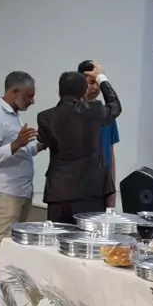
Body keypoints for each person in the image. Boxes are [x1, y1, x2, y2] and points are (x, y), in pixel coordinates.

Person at [0, 71, 42, 306]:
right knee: (2, 249)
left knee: (13, 249)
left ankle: (10, 303)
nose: (32, 101)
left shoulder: (14, 116)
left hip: (21, 191)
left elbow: (21, 152)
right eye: (29, 96)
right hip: (6, 193)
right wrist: (15, 144)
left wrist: (40, 145)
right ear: (14, 92)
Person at [37, 65, 121, 224]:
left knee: (57, 238)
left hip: (58, 193)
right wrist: (101, 78)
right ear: (84, 91)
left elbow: (42, 143)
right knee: (86, 238)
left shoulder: (45, 117)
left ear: (59, 91)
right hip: (90, 192)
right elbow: (115, 105)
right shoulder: (95, 111)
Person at [78, 60, 120, 208]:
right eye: (91, 82)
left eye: (98, 82)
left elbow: (111, 155)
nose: (96, 87)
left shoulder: (107, 114)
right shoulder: (72, 113)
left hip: (102, 186)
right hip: (78, 187)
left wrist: (112, 192)